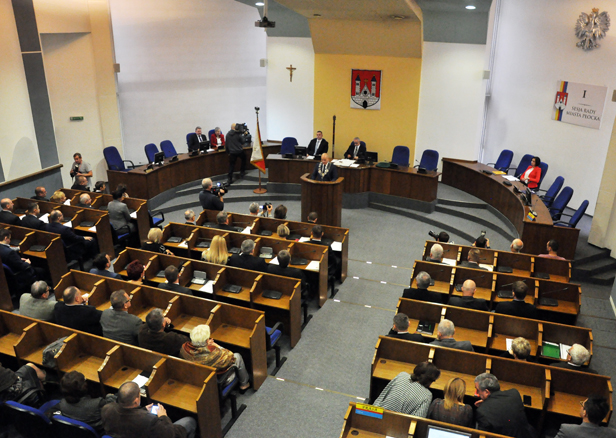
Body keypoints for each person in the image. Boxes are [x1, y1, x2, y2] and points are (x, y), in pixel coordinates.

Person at [101, 381, 197, 438]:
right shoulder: (149, 420)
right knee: (190, 421)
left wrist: (143, 410)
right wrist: (163, 417)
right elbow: (169, 434)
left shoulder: (106, 409)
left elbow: (128, 417)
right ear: (136, 401)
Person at [180, 324, 250, 391]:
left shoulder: (184, 347)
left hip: (197, 378)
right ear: (207, 340)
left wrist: (206, 345)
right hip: (217, 381)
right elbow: (230, 356)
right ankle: (244, 385)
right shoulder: (214, 355)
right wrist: (215, 345)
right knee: (237, 356)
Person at [474, 373, 535, 438]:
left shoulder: (482, 412)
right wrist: (487, 402)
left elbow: (484, 434)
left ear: (487, 392)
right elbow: (502, 407)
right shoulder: (514, 393)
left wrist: (485, 406)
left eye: (478, 390)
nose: (477, 393)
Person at [57, 371, 116, 435]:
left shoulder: (62, 404)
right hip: (100, 431)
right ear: (84, 386)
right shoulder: (96, 404)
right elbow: (112, 405)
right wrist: (109, 396)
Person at [373, 361, 440, 416]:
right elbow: (417, 419)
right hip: (394, 425)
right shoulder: (427, 395)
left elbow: (382, 396)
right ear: (430, 381)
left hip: (375, 414)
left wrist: (371, 413)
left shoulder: (402, 375)